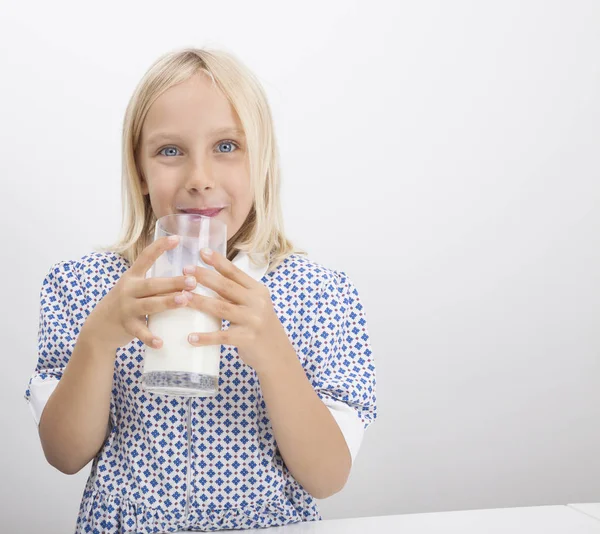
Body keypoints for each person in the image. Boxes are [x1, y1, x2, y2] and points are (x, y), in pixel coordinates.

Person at [24, 47, 377, 533]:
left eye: (227, 146)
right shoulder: (84, 287)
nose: (199, 179)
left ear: (263, 160)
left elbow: (327, 477)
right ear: (140, 169)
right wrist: (98, 340)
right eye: (170, 151)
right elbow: (64, 455)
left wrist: (275, 354)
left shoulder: (318, 294)